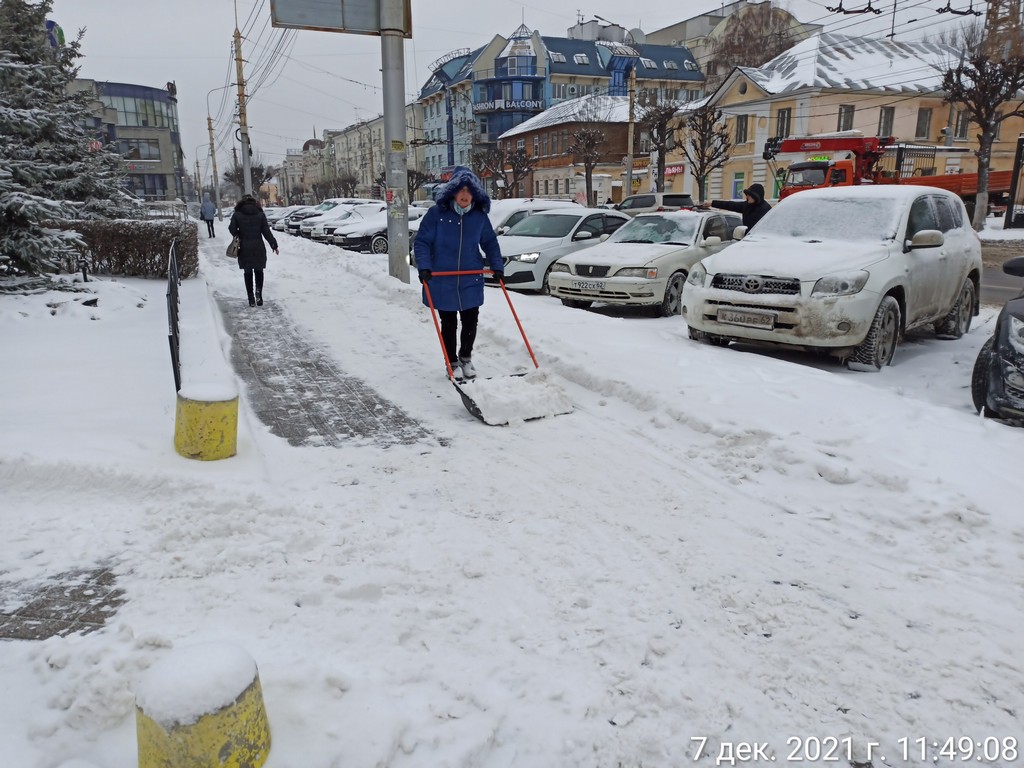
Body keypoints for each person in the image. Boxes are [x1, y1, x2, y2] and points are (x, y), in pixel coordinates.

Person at [413, 166, 504, 381]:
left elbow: (490, 242)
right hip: (443, 279)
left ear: (475, 194)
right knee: (449, 322)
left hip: (469, 277)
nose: (465, 195)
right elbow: (422, 241)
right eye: (461, 190)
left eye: (469, 191)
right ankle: (451, 361)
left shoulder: (479, 217)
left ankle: (465, 357)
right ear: (452, 192)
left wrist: (497, 266)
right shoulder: (437, 214)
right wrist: (424, 267)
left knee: (471, 320)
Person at [228, 194, 279, 307]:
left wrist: (238, 235)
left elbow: (231, 228)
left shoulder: (237, 215)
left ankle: (251, 297)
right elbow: (266, 232)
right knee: (259, 271)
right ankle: (259, 293)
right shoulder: (260, 215)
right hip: (258, 247)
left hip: (244, 247)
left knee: (247, 272)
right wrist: (274, 244)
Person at [701, 183, 772, 230]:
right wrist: (712, 203)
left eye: (749, 195)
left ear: (756, 196)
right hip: (747, 239)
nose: (747, 196)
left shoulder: (766, 209)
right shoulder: (746, 206)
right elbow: (729, 205)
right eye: (747, 194)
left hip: (761, 242)